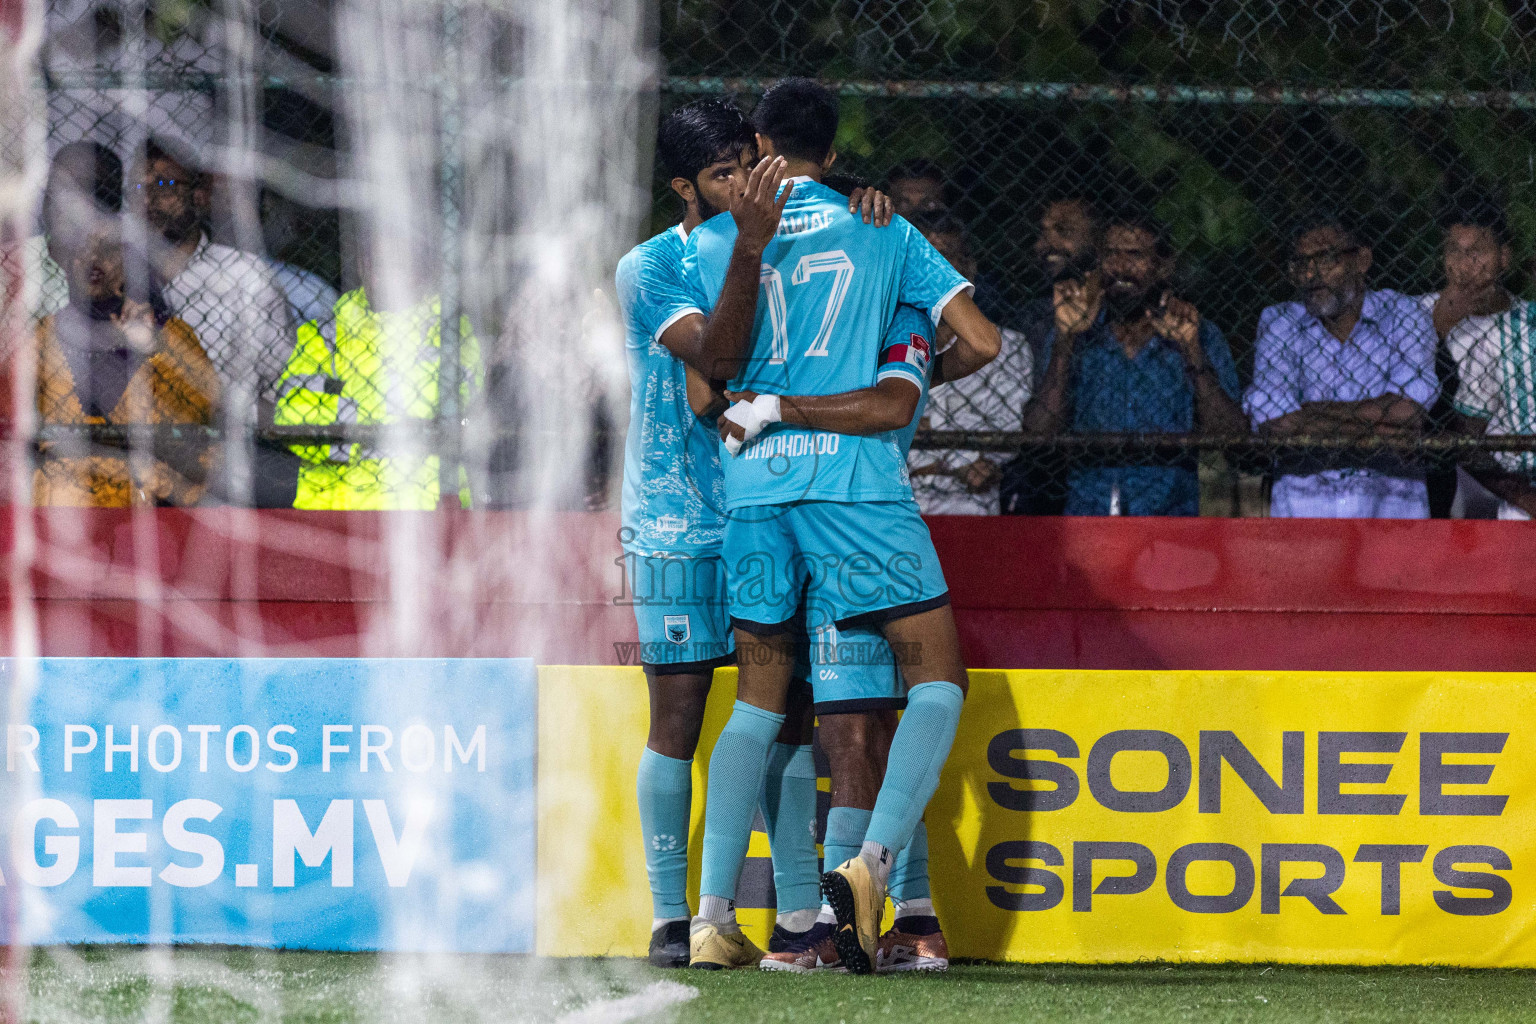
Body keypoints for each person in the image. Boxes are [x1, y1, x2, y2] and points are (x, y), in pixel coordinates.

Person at [682, 77, 1000, 975]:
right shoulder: (886, 228)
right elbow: (980, 342)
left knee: (760, 699)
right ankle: (874, 868)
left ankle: (714, 917)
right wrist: (900, 382)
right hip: (853, 489)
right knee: (933, 680)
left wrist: (750, 257)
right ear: (837, 144)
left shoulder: (709, 241)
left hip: (751, 495)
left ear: (757, 141)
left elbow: (718, 375)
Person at [615, 100, 895, 969]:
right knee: (678, 717)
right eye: (722, 173)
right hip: (672, 519)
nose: (743, 183)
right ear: (683, 188)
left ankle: (800, 915)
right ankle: (675, 922)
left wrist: (861, 206)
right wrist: (754, 245)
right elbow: (717, 367)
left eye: (749, 162)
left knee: (779, 713)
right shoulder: (651, 267)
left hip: (770, 510)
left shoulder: (783, 243)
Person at [1021, 207, 1246, 516]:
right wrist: (1065, 341)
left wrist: (1191, 352)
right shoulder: (1075, 334)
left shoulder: (1199, 334)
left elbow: (1232, 435)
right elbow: (1038, 433)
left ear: (1164, 267)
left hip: (1169, 516)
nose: (1121, 267)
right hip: (1089, 513)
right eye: (1111, 254)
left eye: (1135, 255)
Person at [271, 220, 482, 510]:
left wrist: (347, 415)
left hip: (427, 513)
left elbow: (463, 421)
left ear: (425, 266)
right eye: (375, 257)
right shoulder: (322, 335)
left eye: (399, 257)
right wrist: (384, 418)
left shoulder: (453, 335)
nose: (384, 268)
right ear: (361, 263)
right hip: (334, 516)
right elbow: (291, 418)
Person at [1244, 213, 1439, 518]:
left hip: (1391, 512)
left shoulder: (1404, 314)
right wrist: (1382, 433)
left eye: (1325, 260)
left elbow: (1408, 410)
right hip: (1304, 514)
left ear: (1362, 260)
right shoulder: (1279, 322)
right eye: (1301, 264)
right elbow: (1276, 423)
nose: (1311, 275)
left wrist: (1308, 412)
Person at [33, 225, 219, 506]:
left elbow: (188, 424)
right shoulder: (44, 334)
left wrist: (143, 351)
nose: (92, 258)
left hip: (152, 503)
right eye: (81, 248)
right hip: (67, 501)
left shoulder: (171, 335)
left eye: (108, 250)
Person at [132, 137, 291, 449]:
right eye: (138, 187)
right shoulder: (117, 273)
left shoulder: (244, 277)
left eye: (165, 183)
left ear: (200, 196)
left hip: (223, 455)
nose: (149, 198)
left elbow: (280, 386)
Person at [907, 211, 1033, 515]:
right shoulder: (880, 340)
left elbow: (1007, 431)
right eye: (922, 257)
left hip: (971, 507)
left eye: (944, 256)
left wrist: (924, 442)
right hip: (894, 508)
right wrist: (962, 460)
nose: (931, 268)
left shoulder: (1008, 347)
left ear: (969, 269)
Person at [1000, 194, 1102, 515]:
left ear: (1099, 240)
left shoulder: (1133, 323)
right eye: (1044, 233)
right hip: (1037, 485)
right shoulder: (1027, 322)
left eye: (1064, 231)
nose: (1047, 243)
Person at [1418, 195, 1515, 518]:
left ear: (1504, 258)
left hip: (1515, 462)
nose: (1464, 266)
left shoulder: (1526, 323)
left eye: (1477, 253)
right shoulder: (1415, 315)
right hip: (1445, 465)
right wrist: (1439, 327)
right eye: (1454, 252)